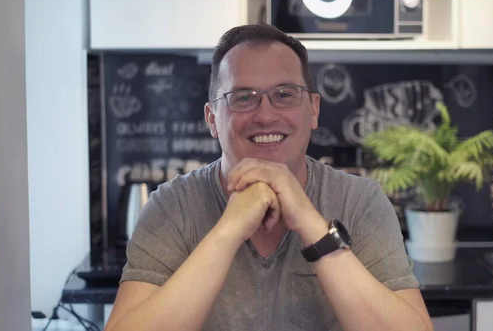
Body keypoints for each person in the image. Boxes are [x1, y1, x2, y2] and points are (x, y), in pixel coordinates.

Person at [104, 24, 433, 331]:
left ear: (314, 109)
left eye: (285, 94)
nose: (265, 115)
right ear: (212, 119)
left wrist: (311, 224)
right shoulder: (172, 206)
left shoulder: (360, 201)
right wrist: (229, 229)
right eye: (243, 97)